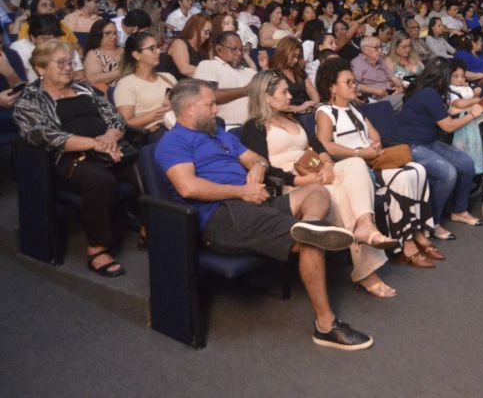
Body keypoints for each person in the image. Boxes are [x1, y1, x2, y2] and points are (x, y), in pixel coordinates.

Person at [156, 78, 372, 350]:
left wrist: (257, 167)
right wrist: (241, 192)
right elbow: (188, 188)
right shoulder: (172, 143)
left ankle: (311, 225)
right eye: (210, 104)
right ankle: (326, 326)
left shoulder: (217, 133)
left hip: (254, 200)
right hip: (223, 217)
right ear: (188, 108)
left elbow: (254, 158)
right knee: (310, 241)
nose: (216, 110)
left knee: (318, 192)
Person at [241, 71, 397, 297]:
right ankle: (367, 272)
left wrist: (326, 164)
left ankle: (365, 224)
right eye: (284, 92)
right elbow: (263, 166)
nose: (289, 96)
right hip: (291, 184)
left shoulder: (291, 118)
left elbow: (318, 146)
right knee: (341, 194)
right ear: (266, 97)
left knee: (355, 163)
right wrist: (300, 180)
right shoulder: (254, 127)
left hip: (316, 171)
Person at [14, 40, 142, 277]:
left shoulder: (85, 89)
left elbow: (116, 119)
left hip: (107, 148)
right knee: (100, 181)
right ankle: (97, 248)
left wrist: (109, 138)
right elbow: (44, 135)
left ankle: (150, 226)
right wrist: (94, 143)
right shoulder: (30, 99)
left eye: (70, 62)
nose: (67, 67)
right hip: (67, 158)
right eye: (60, 63)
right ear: (41, 68)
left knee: (146, 166)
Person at [315, 58, 442, 269]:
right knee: (403, 177)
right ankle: (405, 244)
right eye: (348, 82)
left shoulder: (354, 108)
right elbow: (325, 146)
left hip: (372, 161)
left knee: (418, 169)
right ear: (332, 88)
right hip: (355, 169)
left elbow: (374, 133)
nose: (354, 85)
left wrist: (374, 145)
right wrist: (360, 152)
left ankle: (416, 231)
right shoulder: (325, 113)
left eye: (354, 81)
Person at [395, 58, 483, 238]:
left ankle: (459, 210)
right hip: (410, 146)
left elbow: (447, 113)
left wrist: (471, 107)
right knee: (448, 172)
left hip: (427, 142)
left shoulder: (432, 92)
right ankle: (432, 222)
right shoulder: (428, 94)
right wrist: (473, 114)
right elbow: (448, 126)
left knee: (466, 163)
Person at [113, 32, 176, 131]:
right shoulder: (126, 84)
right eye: (152, 48)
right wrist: (161, 112)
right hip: (157, 131)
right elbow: (127, 123)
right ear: (137, 55)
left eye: (157, 47)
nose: (158, 51)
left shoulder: (168, 77)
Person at [192, 31, 256, 128]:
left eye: (241, 50)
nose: (239, 53)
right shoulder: (209, 65)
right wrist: (245, 91)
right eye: (234, 49)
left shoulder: (250, 72)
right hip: (227, 128)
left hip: (258, 127)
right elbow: (208, 95)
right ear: (219, 49)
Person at [11, 14, 85, 82]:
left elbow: (80, 76)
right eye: (45, 39)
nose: (51, 43)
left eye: (55, 38)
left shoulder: (66, 49)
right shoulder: (19, 47)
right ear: (33, 37)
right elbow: (22, 80)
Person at [351, 36, 405, 111]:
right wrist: (376, 91)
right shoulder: (357, 63)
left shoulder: (380, 60)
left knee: (412, 95)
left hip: (391, 93)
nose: (380, 51)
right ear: (365, 49)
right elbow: (355, 84)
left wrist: (400, 86)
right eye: (376, 48)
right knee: (405, 100)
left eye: (380, 47)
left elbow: (393, 77)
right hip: (376, 100)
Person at [269, 36, 319, 113]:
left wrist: (314, 105)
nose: (296, 60)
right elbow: (275, 105)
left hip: (306, 112)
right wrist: (300, 108)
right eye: (293, 56)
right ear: (284, 53)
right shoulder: (273, 74)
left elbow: (312, 92)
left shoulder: (299, 71)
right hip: (286, 115)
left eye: (298, 56)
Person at [163, 14, 211, 80]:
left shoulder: (204, 47)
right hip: (178, 86)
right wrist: (211, 72)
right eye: (206, 32)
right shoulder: (179, 43)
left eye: (209, 33)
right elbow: (185, 69)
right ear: (195, 28)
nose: (208, 36)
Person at [83, 19, 122, 92]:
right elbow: (93, 79)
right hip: (113, 92)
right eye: (108, 33)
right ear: (98, 35)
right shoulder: (94, 54)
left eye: (115, 33)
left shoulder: (124, 50)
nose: (113, 36)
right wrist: (122, 71)